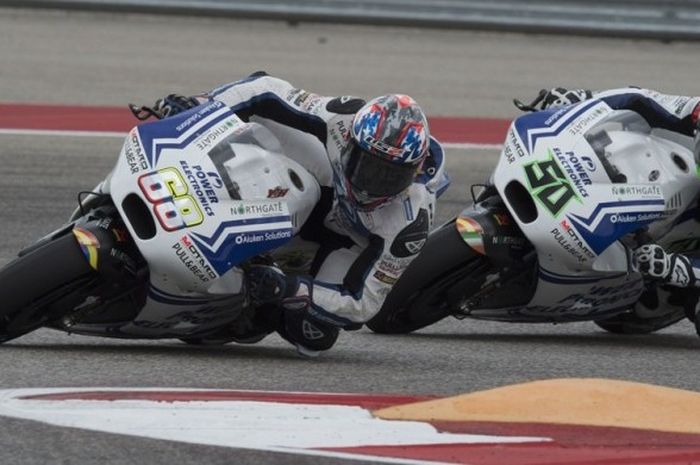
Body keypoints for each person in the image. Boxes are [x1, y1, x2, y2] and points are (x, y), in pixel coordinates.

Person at [135, 72, 448, 356]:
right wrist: (200, 106)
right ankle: (198, 184)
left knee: (314, 335)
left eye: (388, 176)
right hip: (327, 180)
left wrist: (290, 289)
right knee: (261, 119)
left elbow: (363, 301)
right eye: (366, 166)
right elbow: (267, 89)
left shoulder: (410, 222)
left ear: (414, 171)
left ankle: (245, 301)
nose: (371, 184)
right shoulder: (343, 118)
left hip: (348, 238)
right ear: (352, 140)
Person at [531, 86, 700, 289]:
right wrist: (583, 99)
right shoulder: (697, 110)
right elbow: (640, 98)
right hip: (673, 173)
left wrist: (678, 269)